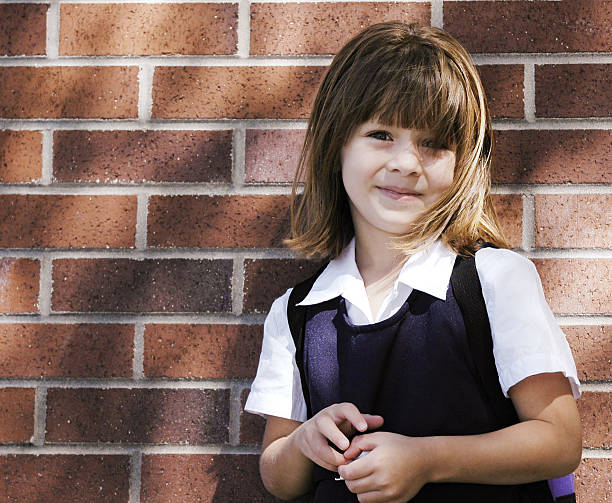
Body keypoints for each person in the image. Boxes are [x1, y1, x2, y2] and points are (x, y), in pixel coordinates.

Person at [244, 22, 582, 503]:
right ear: (336, 144)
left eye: (432, 143)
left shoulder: (492, 281)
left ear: (462, 162)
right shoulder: (298, 313)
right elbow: (279, 475)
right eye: (381, 134)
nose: (406, 162)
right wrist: (303, 443)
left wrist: (426, 461)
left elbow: (559, 441)